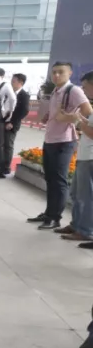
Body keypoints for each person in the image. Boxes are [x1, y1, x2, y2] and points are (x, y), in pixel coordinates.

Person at [29, 62, 93, 230]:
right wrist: (49, 116)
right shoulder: (57, 91)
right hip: (50, 139)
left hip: (64, 141)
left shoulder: (74, 90)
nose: (56, 75)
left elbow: (88, 111)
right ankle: (49, 213)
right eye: (54, 72)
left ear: (70, 73)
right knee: (50, 178)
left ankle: (54, 217)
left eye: (61, 72)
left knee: (58, 180)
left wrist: (72, 119)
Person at [55, 72, 93, 243]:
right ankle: (77, 224)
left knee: (86, 196)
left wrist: (77, 121)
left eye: (85, 87)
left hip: (90, 157)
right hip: (84, 155)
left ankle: (85, 230)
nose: (83, 90)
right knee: (77, 193)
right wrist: (79, 119)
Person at [1, 73, 30, 178]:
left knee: (8, 145)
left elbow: (24, 111)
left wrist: (12, 122)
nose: (11, 83)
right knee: (1, 145)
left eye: (13, 81)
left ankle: (6, 168)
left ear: (20, 82)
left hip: (11, 124)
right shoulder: (9, 93)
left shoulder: (24, 95)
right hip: (3, 121)